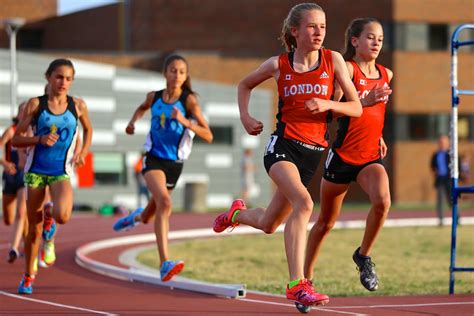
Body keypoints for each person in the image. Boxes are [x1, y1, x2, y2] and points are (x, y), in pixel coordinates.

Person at [212, 3, 362, 307]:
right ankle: (297, 284)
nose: (319, 32)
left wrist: (329, 105)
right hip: (283, 147)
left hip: (313, 153)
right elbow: (244, 85)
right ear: (295, 31)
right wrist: (245, 117)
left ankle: (236, 214)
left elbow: (356, 107)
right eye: (311, 26)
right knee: (304, 203)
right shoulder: (278, 64)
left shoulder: (333, 60)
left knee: (269, 224)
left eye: (322, 26)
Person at [304, 18, 393, 293]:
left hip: (369, 157)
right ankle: (305, 280)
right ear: (355, 41)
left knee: (382, 201)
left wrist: (378, 135)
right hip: (342, 157)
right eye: (370, 37)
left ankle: (363, 255)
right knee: (325, 223)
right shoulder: (348, 70)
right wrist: (363, 102)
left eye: (379, 37)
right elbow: (330, 111)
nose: (376, 42)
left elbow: (377, 114)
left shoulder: (387, 74)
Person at [113, 54, 213, 282]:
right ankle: (164, 263)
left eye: (181, 72)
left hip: (175, 164)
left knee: (150, 215)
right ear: (165, 73)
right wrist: (131, 123)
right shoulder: (154, 97)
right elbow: (141, 108)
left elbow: (208, 134)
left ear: (186, 76)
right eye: (173, 70)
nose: (176, 75)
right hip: (153, 158)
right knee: (165, 204)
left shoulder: (189, 102)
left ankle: (135, 218)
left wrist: (186, 122)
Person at [12, 58, 93, 294]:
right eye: (59, 77)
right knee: (33, 229)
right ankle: (28, 277)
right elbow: (16, 139)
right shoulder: (35, 105)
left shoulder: (77, 105)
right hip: (36, 171)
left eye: (68, 78)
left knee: (63, 215)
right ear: (48, 77)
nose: (63, 82)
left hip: (61, 171)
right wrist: (38, 139)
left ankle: (51, 219)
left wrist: (83, 151)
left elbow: (88, 129)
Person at [0, 115, 27, 264]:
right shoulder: (11, 131)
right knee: (8, 219)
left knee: (21, 213)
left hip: (24, 175)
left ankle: (15, 248)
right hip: (10, 175)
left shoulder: (32, 132)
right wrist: (4, 163)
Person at [430, 135, 451, 226]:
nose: (442, 144)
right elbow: (432, 165)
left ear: (447, 143)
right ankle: (441, 219)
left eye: (444, 142)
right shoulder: (436, 154)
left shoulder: (451, 154)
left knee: (452, 200)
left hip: (449, 180)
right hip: (440, 180)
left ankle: (457, 218)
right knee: (440, 200)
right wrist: (435, 170)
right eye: (440, 142)